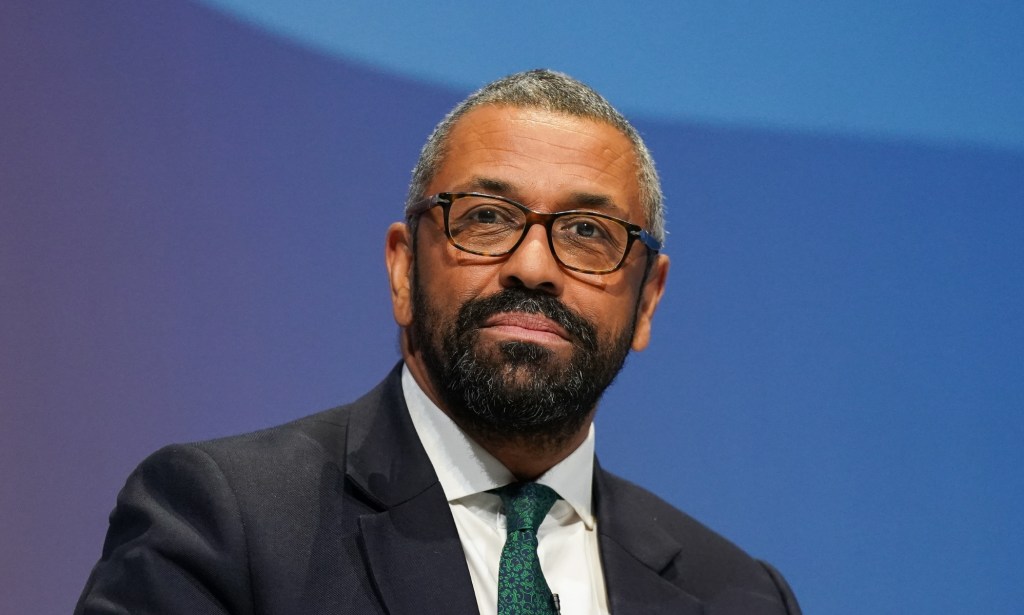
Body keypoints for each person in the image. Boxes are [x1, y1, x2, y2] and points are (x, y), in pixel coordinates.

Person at [76, 70, 802, 615]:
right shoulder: (226, 523)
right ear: (402, 267)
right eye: (486, 216)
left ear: (647, 298)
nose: (533, 265)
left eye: (588, 232)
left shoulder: (737, 594)